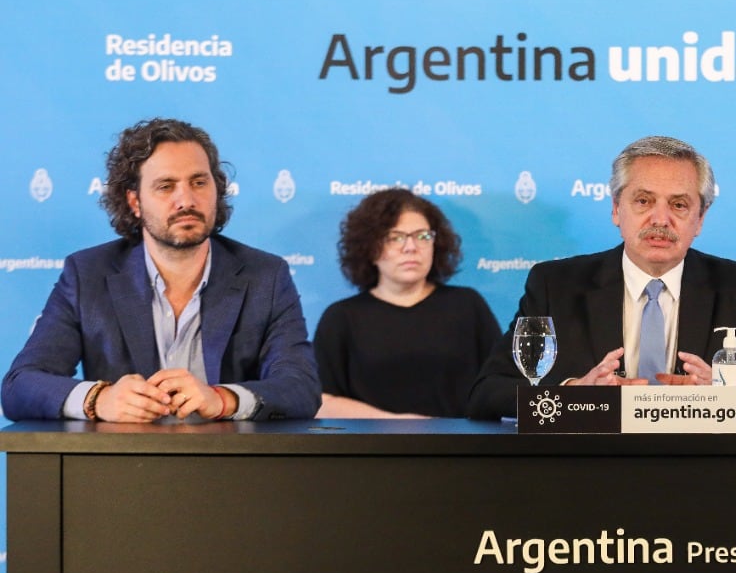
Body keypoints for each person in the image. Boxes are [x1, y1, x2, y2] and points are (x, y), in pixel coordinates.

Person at [466, 135, 736, 421]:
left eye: (679, 204)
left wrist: (728, 392)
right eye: (643, 201)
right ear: (615, 210)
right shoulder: (556, 284)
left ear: (700, 220)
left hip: (708, 479)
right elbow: (487, 394)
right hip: (585, 475)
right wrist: (572, 394)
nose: (660, 219)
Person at [1, 118, 320, 422]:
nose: (187, 200)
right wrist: (100, 399)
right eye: (166, 186)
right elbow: (20, 385)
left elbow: (301, 386)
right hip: (122, 469)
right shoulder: (88, 275)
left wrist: (222, 399)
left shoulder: (265, 275)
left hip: (232, 468)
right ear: (135, 202)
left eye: (199, 182)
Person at [314, 189, 500, 418]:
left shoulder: (468, 306)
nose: (411, 247)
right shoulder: (341, 317)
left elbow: (498, 385)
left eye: (422, 236)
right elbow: (321, 400)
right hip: (371, 449)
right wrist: (396, 424)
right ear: (369, 248)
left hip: (462, 449)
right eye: (395, 237)